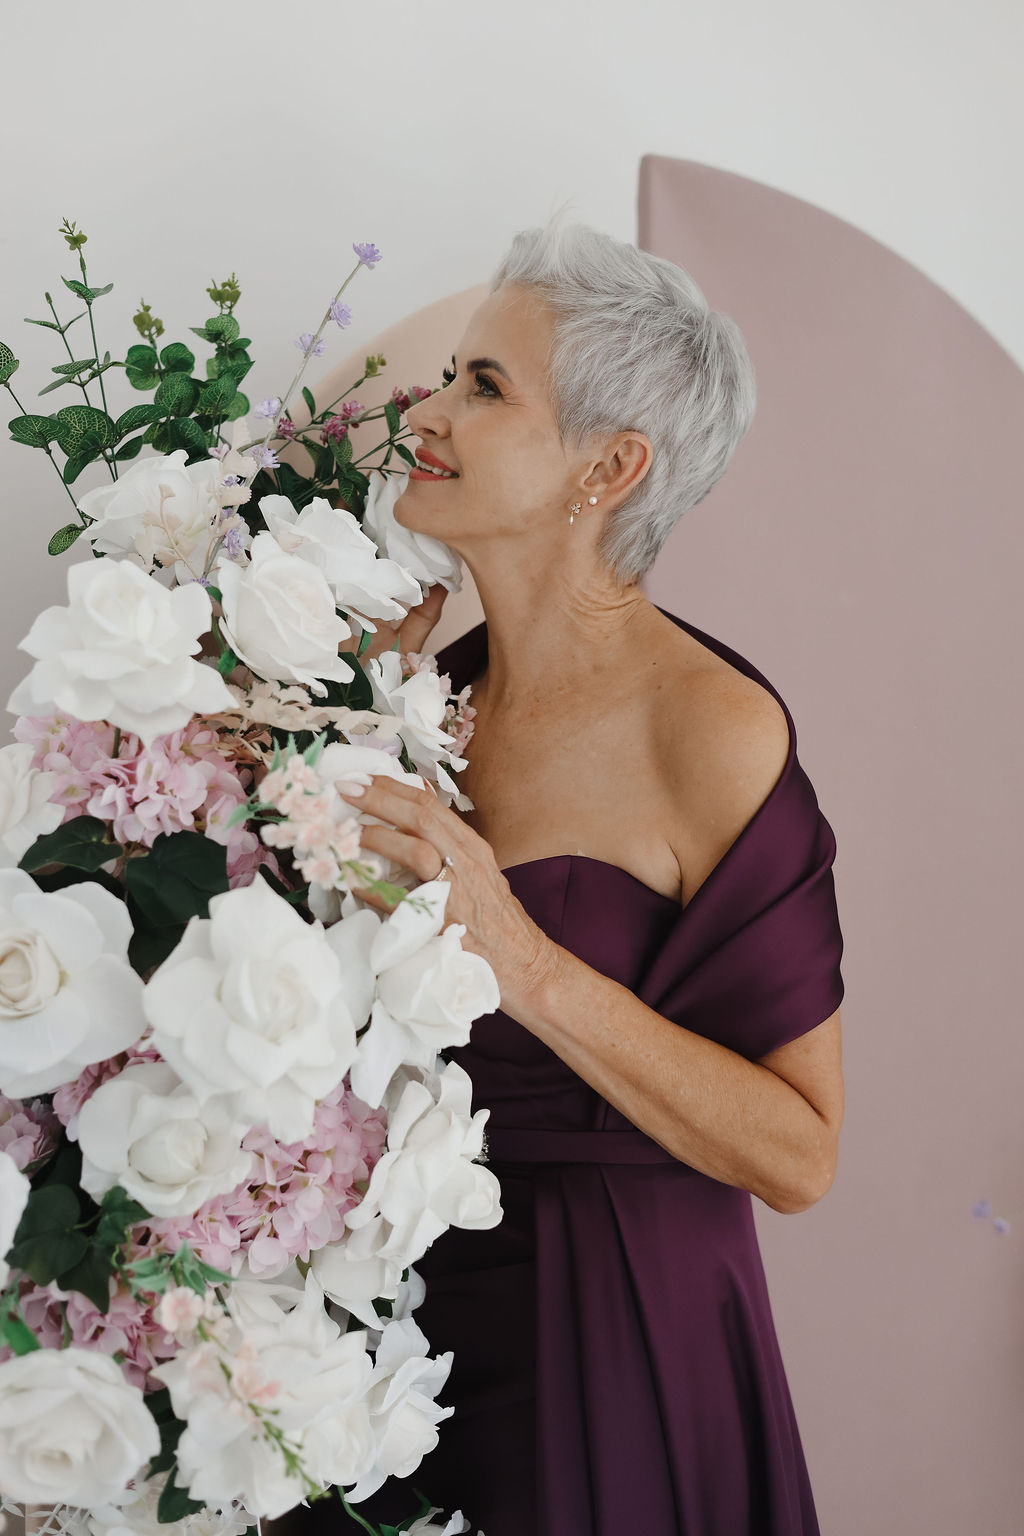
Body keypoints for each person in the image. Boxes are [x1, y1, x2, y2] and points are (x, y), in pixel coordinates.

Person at [327, 213, 846, 1535]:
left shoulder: (710, 728)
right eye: (453, 373)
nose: (429, 411)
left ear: (610, 466)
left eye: (485, 386)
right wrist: (344, 710)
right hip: (393, 1339)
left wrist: (527, 963)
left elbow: (800, 1154)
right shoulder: (424, 697)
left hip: (613, 1335)